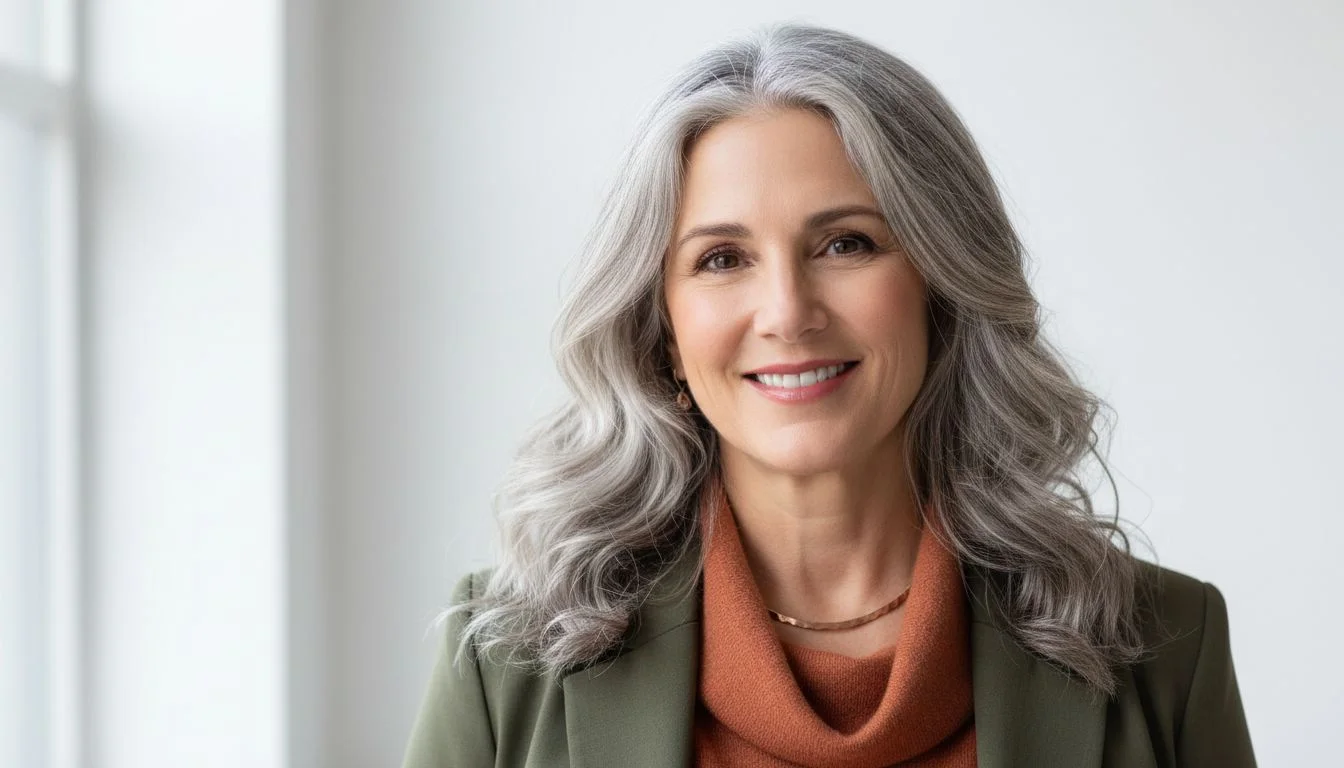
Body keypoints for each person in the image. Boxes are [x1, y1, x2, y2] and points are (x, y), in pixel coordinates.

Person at [401, 21, 1255, 768]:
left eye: (846, 244)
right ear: (662, 331)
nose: (787, 313)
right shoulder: (504, 661)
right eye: (722, 259)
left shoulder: (1164, 646)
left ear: (941, 288)